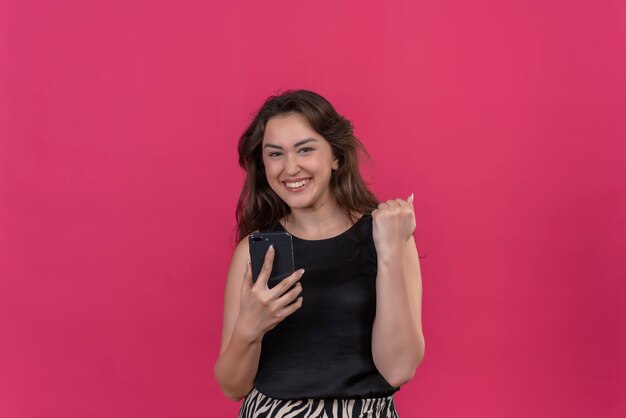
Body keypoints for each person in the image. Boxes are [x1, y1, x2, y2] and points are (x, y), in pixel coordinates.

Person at [214, 90, 425, 418]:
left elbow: (399, 369)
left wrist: (388, 252)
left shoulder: (389, 236)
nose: (290, 167)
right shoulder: (253, 252)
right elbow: (232, 388)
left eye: (305, 149)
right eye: (275, 154)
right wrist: (249, 328)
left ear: (336, 157)